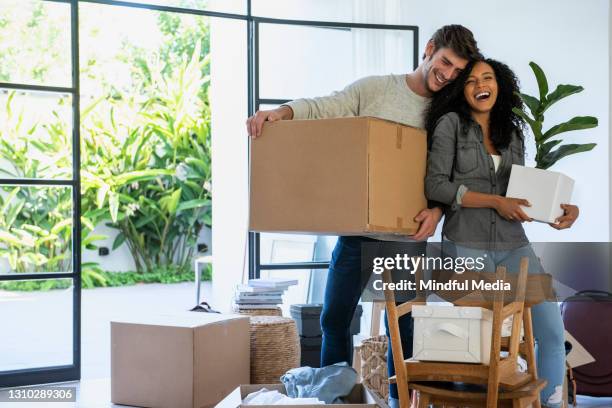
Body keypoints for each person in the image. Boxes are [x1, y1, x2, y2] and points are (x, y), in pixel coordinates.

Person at [246, 25, 482, 407]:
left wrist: (438, 210)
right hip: (358, 232)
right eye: (445, 64)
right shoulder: (376, 89)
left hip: (409, 235)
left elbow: (454, 172)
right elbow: (328, 105)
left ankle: (397, 401)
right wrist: (281, 113)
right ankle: (336, 398)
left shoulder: (447, 111)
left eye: (457, 71)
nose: (449, 75)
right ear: (429, 49)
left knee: (401, 327)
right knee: (333, 319)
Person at [424, 58, 579, 407]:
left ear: (499, 85)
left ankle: (552, 403)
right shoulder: (450, 125)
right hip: (466, 244)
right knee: (479, 345)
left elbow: (520, 195)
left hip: (514, 245)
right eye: (471, 80)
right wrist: (494, 201)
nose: (481, 84)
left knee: (552, 333)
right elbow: (436, 185)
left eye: (488, 77)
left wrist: (561, 211)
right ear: (461, 90)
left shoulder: (511, 132)